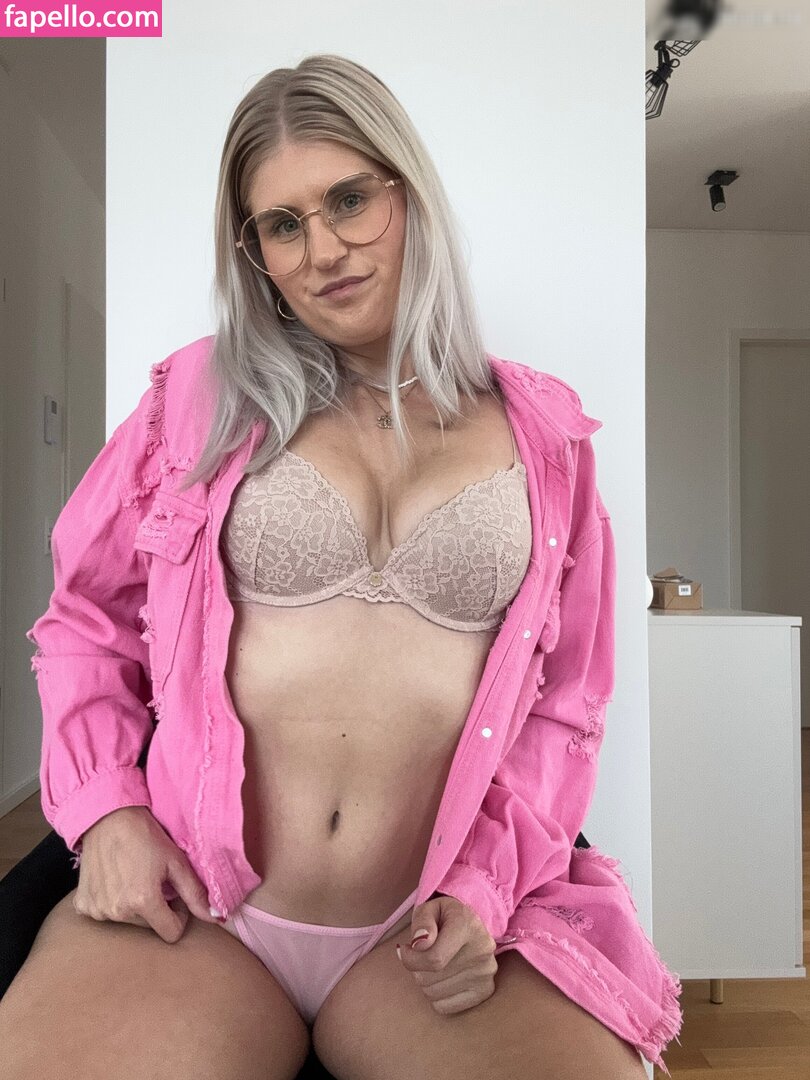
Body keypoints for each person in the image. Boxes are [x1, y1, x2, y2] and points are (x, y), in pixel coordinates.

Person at [0, 53, 680, 1079]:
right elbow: (84, 621)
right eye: (283, 224)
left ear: (407, 192)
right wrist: (109, 815)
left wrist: (486, 889)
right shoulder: (196, 403)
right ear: (256, 253)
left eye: (350, 200)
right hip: (204, 912)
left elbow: (566, 704)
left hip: (417, 927)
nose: (323, 250)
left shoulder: (546, 438)